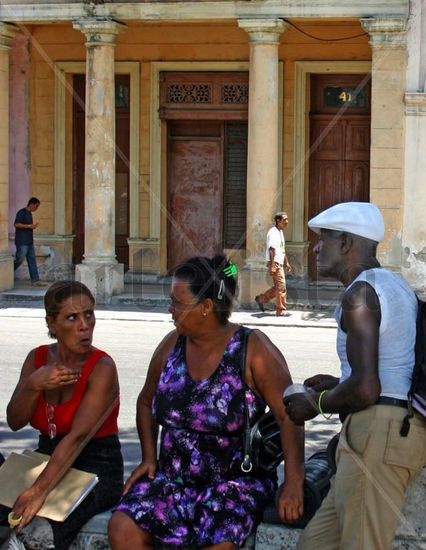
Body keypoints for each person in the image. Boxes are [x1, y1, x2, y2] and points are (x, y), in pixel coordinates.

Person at [108, 254, 304, 549]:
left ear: (206, 307)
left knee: (218, 541)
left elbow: (289, 414)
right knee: (123, 529)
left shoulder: (252, 348)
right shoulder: (172, 344)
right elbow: (145, 402)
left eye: (177, 302)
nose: (170, 309)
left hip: (233, 486)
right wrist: (149, 457)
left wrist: (293, 481)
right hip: (172, 482)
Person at [284, 202, 426, 549]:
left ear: (346, 244)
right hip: (385, 427)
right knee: (314, 544)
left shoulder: (359, 295)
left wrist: (314, 403)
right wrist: (337, 383)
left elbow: (366, 388)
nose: (317, 246)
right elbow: (390, 369)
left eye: (325, 238)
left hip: (380, 433)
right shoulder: (395, 285)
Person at [2, 280, 123, 550]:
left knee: (38, 533)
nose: (84, 325)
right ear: (52, 324)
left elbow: (78, 438)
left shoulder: (102, 367)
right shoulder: (38, 358)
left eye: (89, 314)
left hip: (95, 468)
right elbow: (15, 420)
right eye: (72, 317)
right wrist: (34, 384)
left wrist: (38, 491)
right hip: (46, 459)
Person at [255, 212, 292, 317]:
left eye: (287, 219)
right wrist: (272, 264)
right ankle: (281, 310)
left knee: (277, 287)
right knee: (281, 286)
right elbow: (272, 249)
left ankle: (261, 299)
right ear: (278, 221)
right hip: (275, 263)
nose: (287, 222)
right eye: (285, 220)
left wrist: (286, 263)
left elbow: (282, 249)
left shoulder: (280, 232)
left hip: (279, 262)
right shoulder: (273, 232)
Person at [13, 197, 47, 286]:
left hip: (29, 241)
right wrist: (29, 226)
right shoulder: (22, 212)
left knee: (32, 260)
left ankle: (35, 280)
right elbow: (16, 224)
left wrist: (31, 227)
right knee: (19, 259)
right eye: (36, 206)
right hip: (22, 242)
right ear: (31, 204)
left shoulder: (29, 214)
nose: (37, 208)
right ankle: (6, 272)